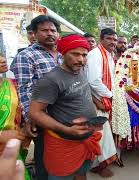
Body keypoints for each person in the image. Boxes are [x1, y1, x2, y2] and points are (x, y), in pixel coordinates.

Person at [29, 34, 102, 180]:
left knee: (81, 173)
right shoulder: (51, 80)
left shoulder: (79, 70)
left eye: (84, 55)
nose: (81, 59)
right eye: (75, 54)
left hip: (86, 139)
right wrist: (66, 129)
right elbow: (35, 113)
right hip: (63, 144)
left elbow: (82, 93)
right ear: (64, 53)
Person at [10, 15, 62, 180]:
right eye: (44, 30)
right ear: (34, 33)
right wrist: (31, 117)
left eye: (53, 30)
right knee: (45, 158)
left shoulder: (63, 54)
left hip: (65, 113)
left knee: (64, 155)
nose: (50, 34)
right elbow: (24, 89)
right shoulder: (25, 56)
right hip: (43, 116)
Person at [86, 28, 118, 177]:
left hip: (104, 99)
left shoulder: (108, 55)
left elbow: (111, 77)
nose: (113, 42)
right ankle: (98, 165)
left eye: (115, 39)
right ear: (101, 39)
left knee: (104, 133)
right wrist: (111, 96)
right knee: (100, 134)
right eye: (109, 38)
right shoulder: (95, 55)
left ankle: (101, 163)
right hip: (97, 101)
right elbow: (93, 81)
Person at [0, 56, 30, 180]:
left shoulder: (11, 83)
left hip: (12, 143)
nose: (3, 60)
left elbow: (20, 108)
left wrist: (24, 128)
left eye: (2, 58)